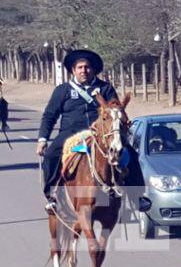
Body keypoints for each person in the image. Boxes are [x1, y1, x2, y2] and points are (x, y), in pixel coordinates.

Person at [36, 49, 145, 213]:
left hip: (100, 133)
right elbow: (50, 115)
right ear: (73, 70)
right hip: (70, 134)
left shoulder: (105, 88)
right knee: (51, 156)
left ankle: (138, 196)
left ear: (93, 69)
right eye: (79, 67)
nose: (83, 70)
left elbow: (116, 110)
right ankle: (52, 197)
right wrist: (43, 139)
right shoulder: (63, 90)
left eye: (87, 67)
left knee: (130, 154)